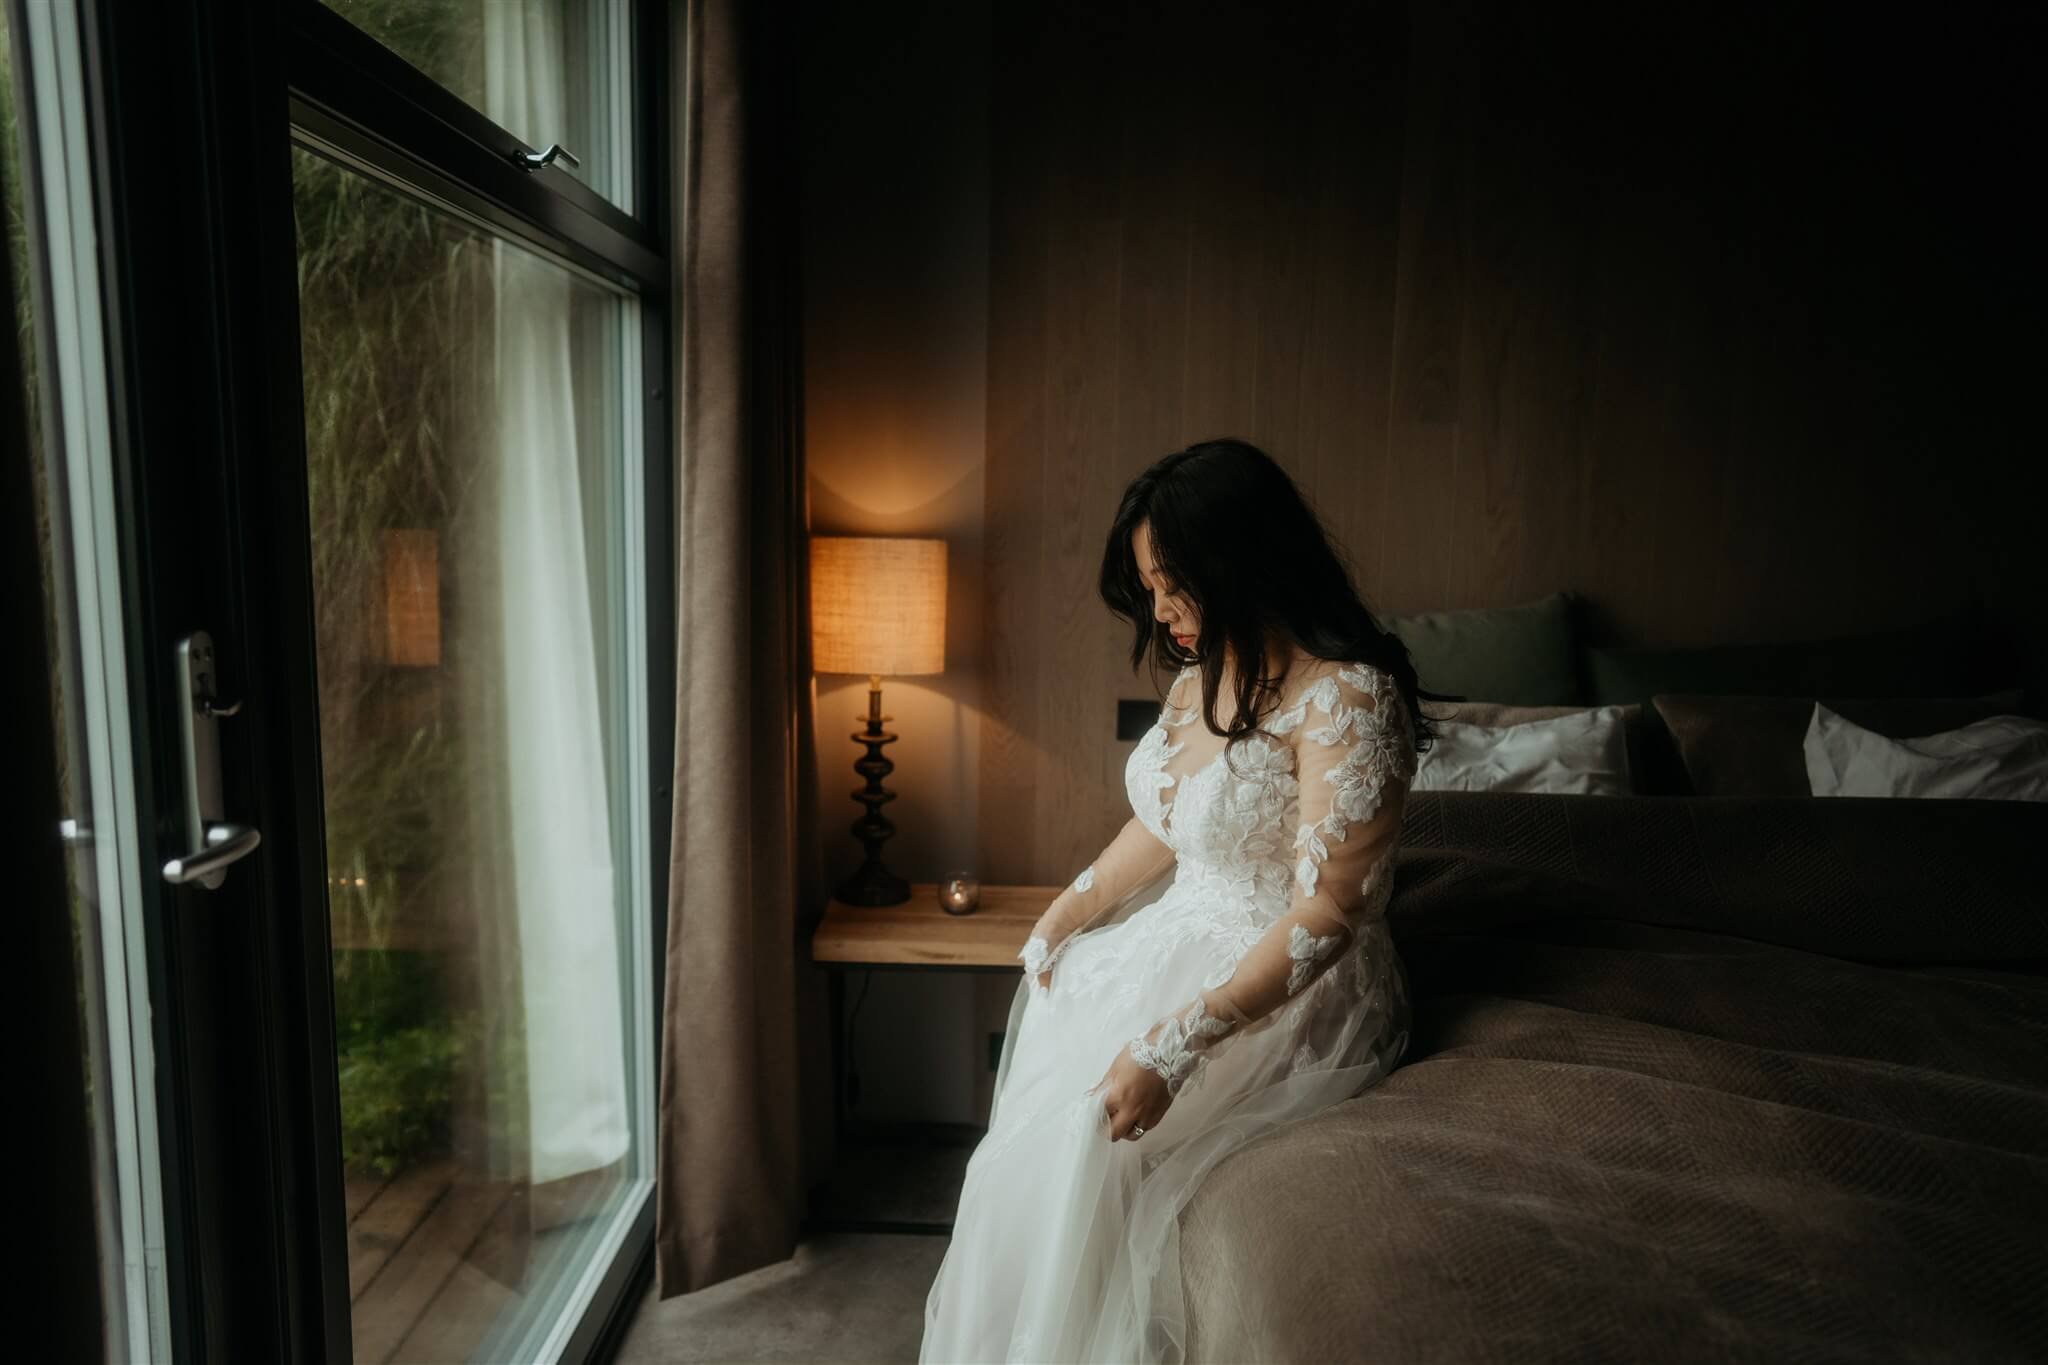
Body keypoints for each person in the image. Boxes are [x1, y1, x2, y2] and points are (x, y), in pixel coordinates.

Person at [919, 438, 1450, 1364]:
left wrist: (1177, 1043)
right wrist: (1066, 912)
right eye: (1151, 589)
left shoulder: (1351, 700)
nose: (1163, 615)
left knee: (1099, 1143)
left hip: (1292, 982)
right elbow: (1166, 824)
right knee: (1040, 1131)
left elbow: (1329, 911)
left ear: (1242, 562)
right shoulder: (1201, 677)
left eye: (1175, 585)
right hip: (1182, 932)